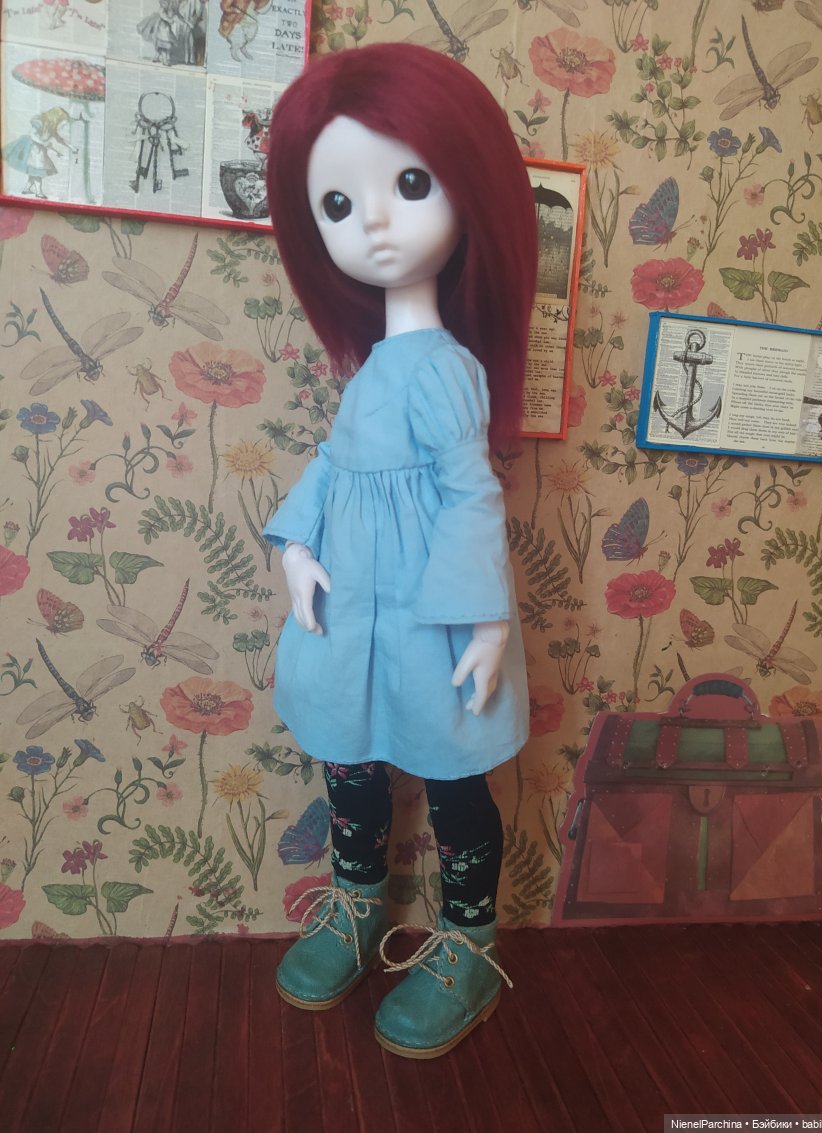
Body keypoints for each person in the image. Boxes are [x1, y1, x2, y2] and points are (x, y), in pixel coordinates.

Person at [262, 42, 537, 1059]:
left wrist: (484, 620)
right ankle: (355, 905)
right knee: (351, 761)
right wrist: (296, 545)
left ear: (470, 190)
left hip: (430, 614)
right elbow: (336, 465)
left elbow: (469, 491)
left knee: (456, 776)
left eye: (409, 185)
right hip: (354, 612)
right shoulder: (373, 366)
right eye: (339, 203)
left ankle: (468, 941)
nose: (374, 220)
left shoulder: (446, 370)